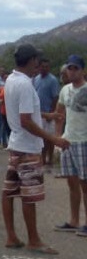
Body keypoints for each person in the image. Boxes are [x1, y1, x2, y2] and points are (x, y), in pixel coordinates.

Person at [2, 44, 70, 254]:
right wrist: (54, 139)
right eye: (37, 61)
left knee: (9, 191)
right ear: (31, 61)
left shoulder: (12, 80)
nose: (38, 65)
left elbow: (26, 113)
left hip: (16, 144)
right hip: (27, 147)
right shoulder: (24, 84)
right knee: (29, 195)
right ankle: (34, 240)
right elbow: (25, 121)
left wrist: (48, 116)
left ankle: (12, 236)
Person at [53, 54, 87, 237]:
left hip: (84, 142)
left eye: (75, 68)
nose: (72, 71)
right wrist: (58, 137)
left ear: (83, 70)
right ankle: (74, 221)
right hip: (68, 141)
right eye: (69, 68)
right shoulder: (65, 90)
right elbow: (59, 114)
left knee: (85, 183)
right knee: (72, 183)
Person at [33, 58, 61, 166]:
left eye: (47, 66)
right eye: (42, 66)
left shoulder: (53, 80)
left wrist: (51, 113)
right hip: (38, 113)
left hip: (49, 113)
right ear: (39, 67)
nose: (44, 68)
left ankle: (50, 159)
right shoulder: (36, 79)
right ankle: (43, 158)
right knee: (41, 137)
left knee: (49, 138)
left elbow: (55, 97)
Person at [0, 69, 10, 148]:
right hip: (2, 109)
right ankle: (0, 140)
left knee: (6, 126)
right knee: (0, 124)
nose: (6, 79)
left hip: (8, 109)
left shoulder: (9, 86)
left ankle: (5, 142)